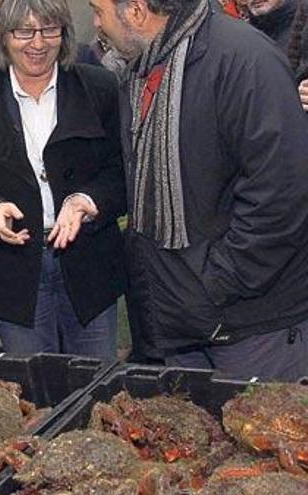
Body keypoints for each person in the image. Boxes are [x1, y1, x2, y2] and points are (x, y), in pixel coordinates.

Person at [91, 0, 308, 380]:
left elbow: (282, 195)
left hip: (251, 324)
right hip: (182, 321)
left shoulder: (245, 60)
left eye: (98, 11)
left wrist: (216, 282)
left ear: (137, 11)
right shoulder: (143, 70)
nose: (96, 24)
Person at [0, 0, 126, 360]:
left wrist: (86, 200)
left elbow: (122, 173)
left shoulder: (99, 88)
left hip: (89, 268)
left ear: (65, 33)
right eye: (23, 31)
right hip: (13, 275)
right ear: (3, 37)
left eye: (49, 30)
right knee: (33, 387)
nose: (37, 43)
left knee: (96, 382)